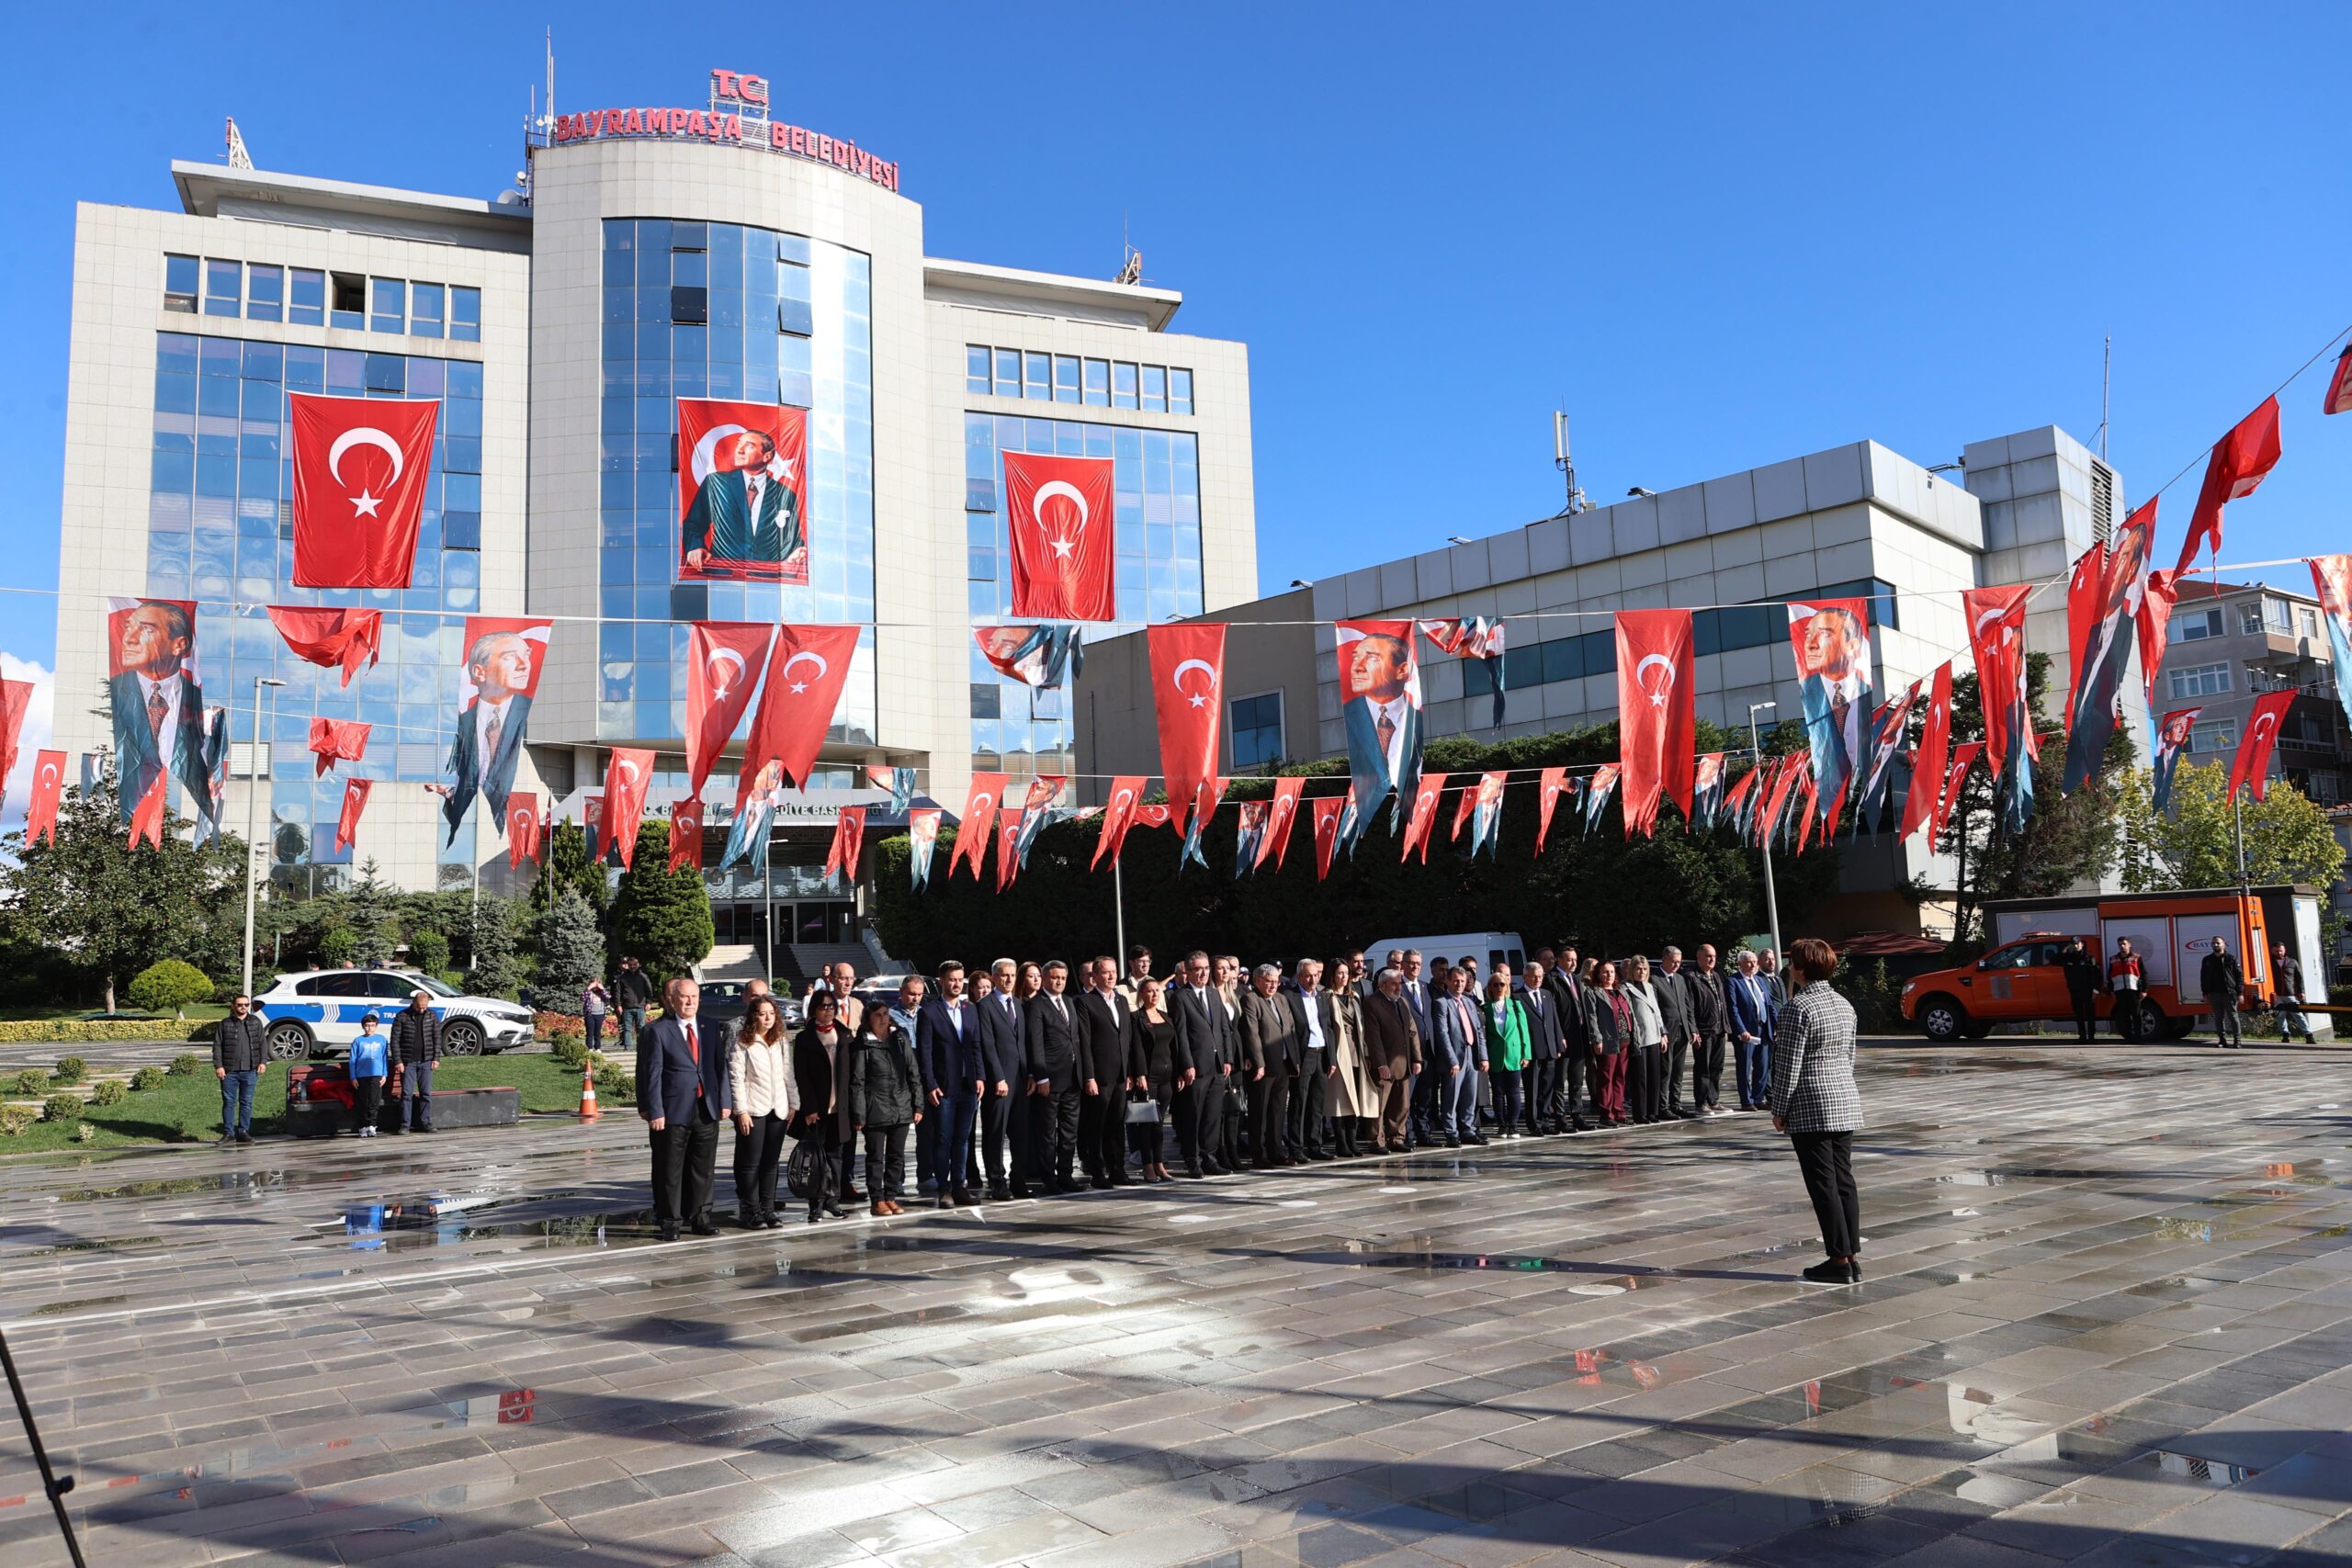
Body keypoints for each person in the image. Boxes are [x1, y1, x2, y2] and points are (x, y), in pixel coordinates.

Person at [1770, 938, 1864, 1285]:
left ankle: (1838, 1260)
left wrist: (1779, 1108)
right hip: (1844, 1098)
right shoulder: (1844, 1004)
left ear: (1800, 969)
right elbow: (1850, 1056)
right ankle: (1850, 1255)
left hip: (1811, 1102)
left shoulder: (1798, 1008)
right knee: (1844, 1181)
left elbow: (1789, 1064)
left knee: (1823, 1183)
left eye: (1792, 963)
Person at [636, 977, 731, 1241]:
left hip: (706, 1107)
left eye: (695, 997)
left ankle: (701, 1217)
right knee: (671, 1169)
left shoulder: (710, 1026)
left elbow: (719, 1067)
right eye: (685, 997)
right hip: (673, 1109)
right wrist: (655, 1110)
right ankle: (670, 1221)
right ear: (673, 1000)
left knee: (703, 1168)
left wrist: (725, 1101)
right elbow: (652, 1073)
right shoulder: (659, 1030)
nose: (690, 1002)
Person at [109, 599, 209, 821]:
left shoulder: (191, 698)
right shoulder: (118, 691)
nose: (129, 639)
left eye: (146, 629)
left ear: (179, 645)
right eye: (128, 627)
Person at [440, 627, 537, 839]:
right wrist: (449, 794)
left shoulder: (528, 714)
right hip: (473, 829)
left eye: (526, 655)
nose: (523, 665)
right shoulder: (464, 723)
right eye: (510, 657)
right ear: (479, 672)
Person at [682, 425, 803, 575]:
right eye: (739, 443)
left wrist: (798, 550)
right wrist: (694, 546)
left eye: (749, 446)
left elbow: (792, 537)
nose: (739, 450)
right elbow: (694, 524)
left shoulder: (785, 494)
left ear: (767, 457)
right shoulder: (717, 483)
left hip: (767, 579)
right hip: (721, 575)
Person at [849, 998, 922, 1216]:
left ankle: (890, 1196)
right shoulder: (862, 1044)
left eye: (885, 1013)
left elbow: (913, 1073)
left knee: (896, 1155)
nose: (883, 1018)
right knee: (875, 1157)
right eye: (877, 1015)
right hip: (875, 1109)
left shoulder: (899, 1039)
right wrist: (859, 1115)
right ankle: (877, 1199)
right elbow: (857, 1081)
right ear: (868, 1019)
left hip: (901, 1107)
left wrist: (917, 1105)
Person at [917, 962, 982, 1208]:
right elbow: (925, 1052)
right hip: (944, 1086)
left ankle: (959, 1185)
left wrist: (980, 1077)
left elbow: (975, 1045)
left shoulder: (969, 1009)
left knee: (963, 1138)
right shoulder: (930, 1011)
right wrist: (930, 1083)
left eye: (960, 979)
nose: (956, 984)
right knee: (943, 1138)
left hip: (968, 1084)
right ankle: (944, 1188)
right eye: (952, 979)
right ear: (942, 981)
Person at [729, 994, 793, 1229]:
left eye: (771, 1013)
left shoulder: (780, 1040)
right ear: (753, 1016)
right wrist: (741, 1111)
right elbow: (736, 1079)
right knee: (751, 1163)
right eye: (762, 1013)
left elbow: (788, 1074)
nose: (767, 1017)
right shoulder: (742, 1041)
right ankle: (751, 1210)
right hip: (754, 1109)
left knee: (771, 1163)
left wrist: (793, 1103)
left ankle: (768, 1209)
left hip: (778, 1108)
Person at [1168, 952, 1235, 1178]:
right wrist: (1186, 1064)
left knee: (1212, 1116)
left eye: (1206, 968)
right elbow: (1181, 1034)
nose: (1204, 973)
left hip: (1217, 1066)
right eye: (1198, 969)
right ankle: (1192, 1160)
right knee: (1193, 1115)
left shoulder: (1214, 994)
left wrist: (1227, 1058)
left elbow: (1224, 1028)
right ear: (1188, 972)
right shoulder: (1180, 997)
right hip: (1196, 1067)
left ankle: (1209, 1157)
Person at [1077, 957, 1140, 1188]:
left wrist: (1132, 1072)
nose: (1111, 976)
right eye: (1106, 973)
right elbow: (1084, 1042)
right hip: (1099, 1076)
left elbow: (1128, 1039)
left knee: (1116, 1124)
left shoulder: (1122, 1001)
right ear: (1095, 976)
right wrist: (1089, 1076)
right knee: (1096, 1125)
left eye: (1113, 972)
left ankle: (1118, 1168)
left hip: (1121, 1075)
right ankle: (1097, 1171)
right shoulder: (1085, 1002)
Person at [789, 993, 853, 1223]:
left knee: (835, 1155)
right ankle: (815, 1203)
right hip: (817, 1108)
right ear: (814, 1010)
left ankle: (832, 1200)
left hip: (840, 1106)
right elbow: (801, 1075)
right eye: (823, 1006)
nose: (828, 1010)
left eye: (831, 1006)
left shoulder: (844, 1034)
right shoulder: (805, 1038)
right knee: (817, 1157)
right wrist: (809, 1107)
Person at [1341, 630, 1423, 805]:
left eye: (1372, 658)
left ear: (1402, 670)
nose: (1357, 666)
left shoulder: (1414, 718)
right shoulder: (1347, 717)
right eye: (1356, 657)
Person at [1025, 960, 1085, 1193]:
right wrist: (1040, 1077)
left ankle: (1066, 1174)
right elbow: (1035, 1042)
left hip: (1072, 1078)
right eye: (1054, 977)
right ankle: (1048, 1178)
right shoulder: (1036, 1005)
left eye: (1062, 977)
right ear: (1044, 978)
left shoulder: (1069, 1002)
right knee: (1047, 1132)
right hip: (1049, 1079)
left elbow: (1076, 1040)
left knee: (1069, 1131)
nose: (1058, 981)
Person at [971, 966, 1028, 1200]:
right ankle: (997, 1181)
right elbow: (988, 1044)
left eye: (1013, 975)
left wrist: (1031, 1075)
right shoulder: (985, 1005)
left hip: (1021, 1080)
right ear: (994, 977)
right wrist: (998, 1077)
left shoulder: (1018, 1004)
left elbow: (1022, 1043)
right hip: (1000, 1081)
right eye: (1004, 975)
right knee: (995, 1133)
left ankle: (1018, 1179)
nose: (1009, 979)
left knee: (1021, 1133)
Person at [1239, 964, 1299, 1169]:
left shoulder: (1281, 999)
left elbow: (1290, 1028)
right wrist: (1259, 1063)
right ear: (1257, 981)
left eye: (1276, 981)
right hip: (1263, 1066)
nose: (1274, 985)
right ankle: (1259, 1154)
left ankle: (1276, 1152)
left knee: (1277, 1111)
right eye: (1269, 981)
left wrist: (1294, 1060)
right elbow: (1252, 1033)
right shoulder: (1250, 999)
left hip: (1283, 1063)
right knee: (1259, 1112)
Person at [1363, 966, 1423, 1152]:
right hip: (1385, 1064)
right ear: (1382, 985)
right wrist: (1381, 1064)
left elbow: (1412, 1032)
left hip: (1403, 1063)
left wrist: (1416, 1059)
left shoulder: (1402, 1001)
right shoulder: (1372, 1003)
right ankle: (1376, 1140)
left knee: (1401, 1105)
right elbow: (1373, 1037)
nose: (1398, 987)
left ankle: (1397, 1138)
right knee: (1379, 1105)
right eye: (1394, 984)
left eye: (1400, 983)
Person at [1132, 977, 1185, 1180]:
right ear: (1141, 995)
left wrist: (1179, 1071)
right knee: (1146, 1123)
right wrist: (1140, 1074)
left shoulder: (1166, 1016)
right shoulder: (1136, 1017)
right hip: (1149, 1076)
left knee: (1160, 1122)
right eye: (1149, 991)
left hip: (1167, 1076)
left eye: (1157, 991)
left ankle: (1159, 1164)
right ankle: (1147, 1165)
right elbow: (1136, 1049)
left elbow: (1175, 1047)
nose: (1154, 994)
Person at [1323, 958, 1374, 1157]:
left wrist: (1366, 1053)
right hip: (1338, 1051)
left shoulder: (1354, 997)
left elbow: (1361, 1026)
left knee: (1355, 1099)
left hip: (1355, 1052)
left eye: (1346, 973)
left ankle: (1352, 1141)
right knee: (1339, 1100)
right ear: (1332, 975)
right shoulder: (1327, 997)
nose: (1343, 977)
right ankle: (1341, 1142)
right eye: (1339, 973)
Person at [1285, 959, 1335, 1162]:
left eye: (1316, 975)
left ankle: (1315, 1145)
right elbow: (1289, 1031)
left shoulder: (1322, 996)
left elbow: (1328, 1027)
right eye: (1308, 975)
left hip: (1321, 1053)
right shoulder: (1290, 996)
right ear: (1299, 977)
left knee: (1316, 1103)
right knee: (1299, 1103)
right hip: (1303, 1055)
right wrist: (1293, 1059)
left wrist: (1331, 1058)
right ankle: (1296, 1147)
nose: (1313, 979)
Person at [1430, 964, 1486, 1146]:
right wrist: (1451, 1060)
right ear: (1447, 981)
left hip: (1472, 1054)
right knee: (1451, 1097)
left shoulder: (1469, 1002)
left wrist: (1483, 1056)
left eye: (1462, 981)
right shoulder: (1441, 1003)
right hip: (1454, 1058)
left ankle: (1467, 1130)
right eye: (1455, 981)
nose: (1459, 984)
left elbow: (1478, 1031)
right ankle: (1451, 1132)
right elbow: (1442, 1034)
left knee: (1470, 1097)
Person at [209, 992, 268, 1145]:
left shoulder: (255, 1022)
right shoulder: (225, 1023)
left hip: (250, 1070)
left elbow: (263, 1043)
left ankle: (243, 1131)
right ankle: (229, 1133)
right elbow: (217, 1046)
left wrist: (262, 1061)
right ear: (233, 1006)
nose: (243, 1007)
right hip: (229, 1072)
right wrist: (219, 1066)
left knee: (246, 1102)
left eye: (246, 1005)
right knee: (229, 1102)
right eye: (240, 1005)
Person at [1548, 944, 1594, 1132]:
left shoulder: (1575, 979)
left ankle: (1577, 1115)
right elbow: (1552, 1013)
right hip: (1563, 1038)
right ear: (1559, 960)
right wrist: (1559, 1036)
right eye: (1569, 959)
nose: (1573, 963)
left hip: (1579, 1037)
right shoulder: (1551, 980)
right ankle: (1560, 1117)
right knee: (1559, 1080)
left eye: (1575, 959)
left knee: (1576, 1080)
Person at [1516, 959, 1564, 1135]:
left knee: (1547, 1087)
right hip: (1532, 1050)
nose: (1537, 980)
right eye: (1534, 977)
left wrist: (1558, 1043)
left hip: (1549, 1048)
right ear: (1525, 977)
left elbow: (1554, 1021)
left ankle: (1544, 1120)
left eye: (1540, 977)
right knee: (1532, 1089)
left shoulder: (1546, 994)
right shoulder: (1517, 996)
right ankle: (1533, 1122)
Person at [1728, 950, 1778, 1111]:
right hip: (1747, 1032)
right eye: (1749, 961)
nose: (1753, 964)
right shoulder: (1733, 981)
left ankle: (1758, 1097)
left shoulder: (1759, 980)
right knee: (1745, 1066)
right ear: (1740, 964)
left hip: (1763, 1029)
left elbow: (1769, 1005)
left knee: (1762, 1066)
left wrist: (1777, 1025)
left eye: (1755, 961)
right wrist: (1741, 1029)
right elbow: (1733, 1008)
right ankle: (1746, 1101)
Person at [1583, 961, 1632, 1126]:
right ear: (1598, 974)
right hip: (1608, 1041)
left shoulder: (1621, 990)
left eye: (1611, 972)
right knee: (1606, 1077)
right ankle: (1606, 1114)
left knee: (1620, 1077)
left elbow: (1629, 1014)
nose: (1609, 975)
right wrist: (1597, 1039)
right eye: (1605, 972)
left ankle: (1619, 1111)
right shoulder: (1593, 992)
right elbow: (1592, 1018)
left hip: (1625, 1039)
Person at [1483, 973, 1531, 1138]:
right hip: (1495, 1055)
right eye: (1495, 985)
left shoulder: (1515, 1005)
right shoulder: (1486, 1008)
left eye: (1502, 984)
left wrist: (1526, 1054)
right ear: (1490, 987)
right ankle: (1502, 1125)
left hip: (1513, 1054)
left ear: (1507, 986)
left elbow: (1524, 1030)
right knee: (1497, 1093)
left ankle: (1513, 1125)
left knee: (1514, 1092)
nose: (1498, 988)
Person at [1623, 956, 1668, 1124]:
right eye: (1638, 969)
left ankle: (1652, 1111)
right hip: (1639, 1038)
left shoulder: (1650, 987)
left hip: (1654, 1036)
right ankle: (1640, 1113)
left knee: (1654, 1076)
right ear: (1632, 970)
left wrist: (1663, 1033)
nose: (1641, 972)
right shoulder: (1626, 988)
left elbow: (1657, 1011)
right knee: (1640, 1077)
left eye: (1644, 969)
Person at [389, 989, 441, 1134]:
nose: (422, 1009)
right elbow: (395, 1041)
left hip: (427, 1060)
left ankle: (426, 1122)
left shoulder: (432, 1016)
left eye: (424, 1007)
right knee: (406, 1094)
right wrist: (398, 1061)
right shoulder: (402, 1016)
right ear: (413, 1003)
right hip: (408, 1062)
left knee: (426, 1093)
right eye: (419, 1007)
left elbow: (437, 1038)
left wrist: (436, 1058)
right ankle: (405, 1124)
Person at [1655, 946, 1700, 1119]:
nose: (1676, 965)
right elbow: (1656, 1009)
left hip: (1683, 1030)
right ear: (1664, 959)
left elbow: (1687, 1006)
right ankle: (1663, 1106)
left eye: (1679, 962)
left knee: (1678, 1071)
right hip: (1667, 1032)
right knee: (1666, 1070)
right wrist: (1662, 1032)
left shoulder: (1680, 979)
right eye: (1673, 961)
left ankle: (1676, 1104)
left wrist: (1693, 1028)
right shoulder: (1655, 979)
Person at [1688, 944, 1730, 1114]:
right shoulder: (1692, 977)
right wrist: (1693, 1028)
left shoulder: (1716, 976)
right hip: (1703, 1029)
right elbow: (1690, 1005)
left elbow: (1721, 1002)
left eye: (1713, 956)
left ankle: (1713, 1100)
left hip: (1719, 1028)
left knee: (1716, 1066)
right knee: (1703, 1067)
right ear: (1699, 958)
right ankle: (1701, 1102)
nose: (1712, 959)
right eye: (1708, 956)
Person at [348, 1010, 389, 1138]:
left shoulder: (382, 1039)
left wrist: (384, 1074)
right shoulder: (358, 1041)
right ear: (363, 1026)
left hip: (376, 1074)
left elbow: (384, 1058)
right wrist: (353, 1076)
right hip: (361, 1076)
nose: (370, 1028)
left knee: (374, 1101)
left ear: (376, 1026)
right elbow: (353, 1060)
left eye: (372, 1025)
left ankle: (372, 1124)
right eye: (367, 1025)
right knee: (363, 1102)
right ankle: (362, 1126)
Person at [2202, 937, 2245, 1048]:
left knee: (2233, 1016)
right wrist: (2205, 993)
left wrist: (2240, 993)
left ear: (2224, 944)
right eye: (2213, 943)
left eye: (2218, 943)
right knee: (2218, 1017)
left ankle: (2237, 1040)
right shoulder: (2207, 960)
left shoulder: (2231, 959)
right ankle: (2222, 1040)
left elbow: (2239, 977)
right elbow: (2203, 977)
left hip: (2229, 993)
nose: (2215, 945)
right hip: (2214, 993)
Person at [2061, 937, 2101, 1043]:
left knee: (2090, 1014)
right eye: (2073, 944)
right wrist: (2064, 950)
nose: (2075, 946)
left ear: (2082, 944)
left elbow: (2097, 975)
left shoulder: (2088, 958)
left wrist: (2096, 990)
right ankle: (2082, 1036)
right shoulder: (2068, 958)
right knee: (2078, 1014)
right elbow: (2054, 960)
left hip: (2087, 990)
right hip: (2074, 990)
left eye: (2077, 944)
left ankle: (2091, 1037)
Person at [2272, 942, 2312, 1043]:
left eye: (2281, 950)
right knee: (2280, 1015)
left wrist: (2301, 991)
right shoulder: (2269, 962)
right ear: (2273, 951)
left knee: (2298, 1014)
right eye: (2277, 951)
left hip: (2290, 993)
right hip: (2276, 994)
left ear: (2284, 950)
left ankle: (2308, 1035)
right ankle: (2285, 1035)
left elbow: (2299, 978)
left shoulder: (2292, 962)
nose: (2279, 952)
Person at [2108, 938, 2146, 1039]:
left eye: (2124, 944)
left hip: (2134, 990)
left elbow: (2144, 974)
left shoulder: (2136, 958)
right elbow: (2110, 976)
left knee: (2136, 1015)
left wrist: (2144, 990)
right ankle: (2128, 1037)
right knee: (2124, 1016)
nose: (2122, 946)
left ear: (2129, 945)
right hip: (2119, 991)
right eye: (2120, 944)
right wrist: (2111, 990)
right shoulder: (2113, 959)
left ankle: (2138, 1038)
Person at [615, 958, 655, 1053]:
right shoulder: (622, 978)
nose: (632, 966)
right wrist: (618, 1005)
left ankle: (641, 1047)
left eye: (634, 964)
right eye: (630, 965)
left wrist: (649, 1002)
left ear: (638, 964)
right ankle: (627, 1047)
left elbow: (649, 990)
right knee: (627, 1028)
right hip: (627, 1007)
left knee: (641, 1028)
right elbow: (618, 992)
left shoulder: (643, 977)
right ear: (628, 965)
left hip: (640, 1007)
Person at [1116, 945, 1155, 1009]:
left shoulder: (1155, 985)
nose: (1145, 965)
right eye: (1141, 961)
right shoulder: (1122, 987)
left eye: (1148, 961)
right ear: (1131, 963)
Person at [582, 978, 610, 1052]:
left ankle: (598, 1048)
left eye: (597, 984)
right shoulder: (588, 992)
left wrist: (602, 988)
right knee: (590, 1032)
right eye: (594, 983)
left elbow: (608, 997)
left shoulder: (602, 992)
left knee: (598, 1032)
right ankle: (589, 1048)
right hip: (590, 1014)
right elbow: (582, 997)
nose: (595, 986)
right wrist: (589, 987)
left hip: (600, 1014)